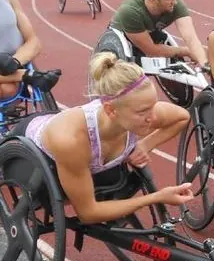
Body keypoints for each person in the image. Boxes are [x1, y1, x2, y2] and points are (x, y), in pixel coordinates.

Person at [12, 52, 194, 225]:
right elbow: (87, 213)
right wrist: (157, 197)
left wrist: (146, 144)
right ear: (111, 110)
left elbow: (182, 117)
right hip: (27, 155)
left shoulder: (139, 110)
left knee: (115, 178)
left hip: (81, 147)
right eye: (142, 111)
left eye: (153, 106)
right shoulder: (71, 140)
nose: (152, 116)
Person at [105, 0, 207, 66]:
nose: (174, 2)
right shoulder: (130, 11)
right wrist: (186, 51)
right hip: (123, 37)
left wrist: (204, 64)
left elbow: (191, 38)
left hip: (149, 32)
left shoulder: (176, 4)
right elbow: (151, 51)